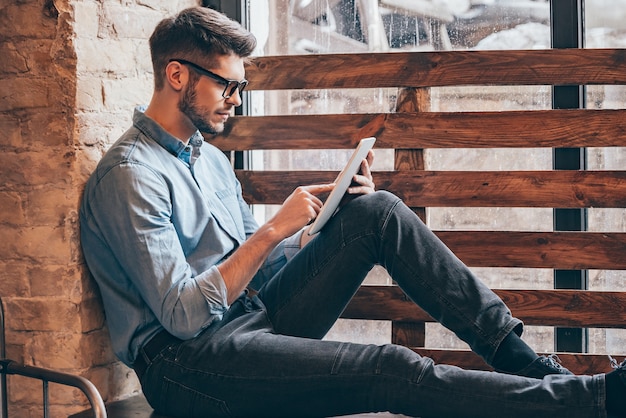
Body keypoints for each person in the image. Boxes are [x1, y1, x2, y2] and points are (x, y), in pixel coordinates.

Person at [79, 6, 626, 418]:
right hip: (186, 367)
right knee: (389, 366)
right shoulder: (131, 175)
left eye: (241, 86)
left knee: (378, 211)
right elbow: (181, 316)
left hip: (251, 319)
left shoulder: (209, 160)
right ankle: (591, 402)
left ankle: (524, 362)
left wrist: (316, 223)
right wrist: (273, 230)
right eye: (228, 85)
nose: (238, 100)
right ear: (178, 76)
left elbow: (261, 273)